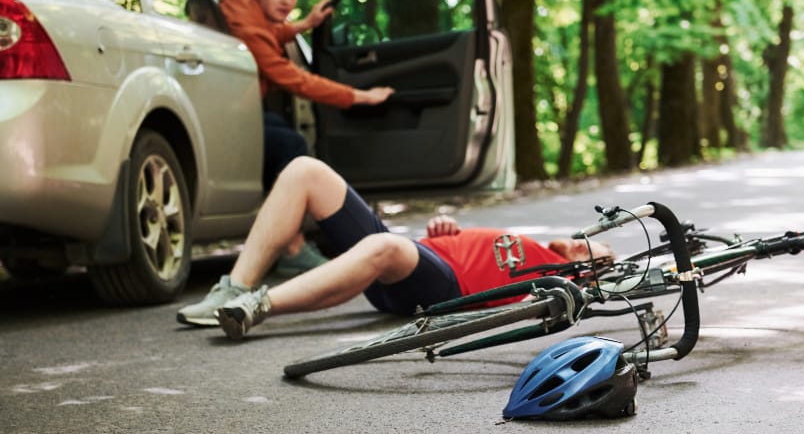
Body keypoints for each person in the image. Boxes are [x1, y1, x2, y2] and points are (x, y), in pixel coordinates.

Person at [176, 157, 613, 338]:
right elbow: (473, 249)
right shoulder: (540, 248)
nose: (589, 247)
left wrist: (595, 275)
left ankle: (257, 306)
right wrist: (447, 229)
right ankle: (234, 285)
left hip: (441, 287)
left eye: (598, 255)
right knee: (305, 170)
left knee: (384, 246)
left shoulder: (558, 282)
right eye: (591, 245)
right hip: (420, 255)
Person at [220, 0, 396, 276]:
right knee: (291, 144)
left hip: (238, 111)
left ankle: (284, 234)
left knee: (276, 127)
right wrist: (359, 96)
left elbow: (270, 32)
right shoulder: (244, 25)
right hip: (224, 117)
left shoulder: (244, 8)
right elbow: (295, 79)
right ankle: (292, 248)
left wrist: (304, 25)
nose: (287, 2)